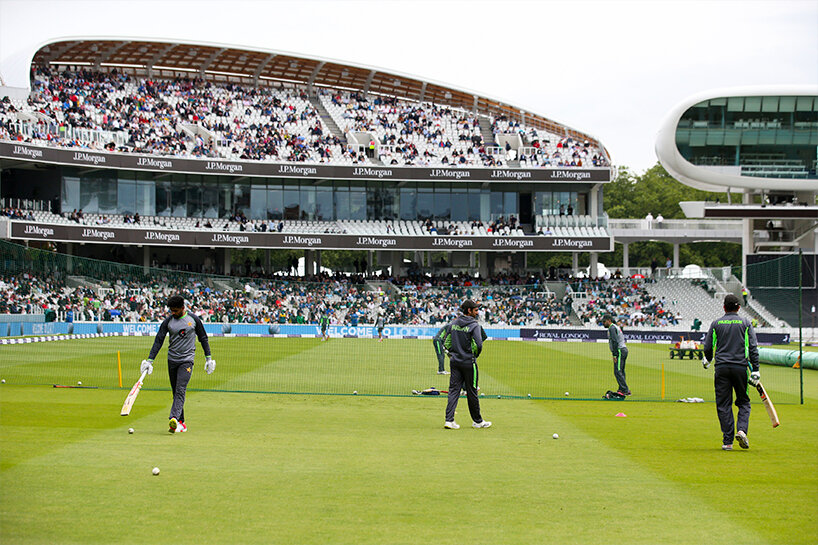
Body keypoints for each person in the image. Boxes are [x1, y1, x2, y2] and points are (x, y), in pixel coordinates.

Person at [141, 295, 215, 434]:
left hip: (187, 360)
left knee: (180, 389)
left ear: (183, 308)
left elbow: (203, 338)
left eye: (175, 311)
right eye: (171, 311)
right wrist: (150, 360)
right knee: (176, 392)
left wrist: (208, 358)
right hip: (172, 360)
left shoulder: (193, 320)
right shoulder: (168, 321)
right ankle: (182, 423)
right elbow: (159, 340)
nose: (173, 313)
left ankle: (173, 418)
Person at [703, 294, 760, 451]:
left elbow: (708, 347)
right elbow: (753, 347)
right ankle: (741, 430)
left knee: (723, 404)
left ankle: (727, 441)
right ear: (739, 307)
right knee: (743, 402)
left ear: (724, 307)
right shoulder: (746, 323)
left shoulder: (716, 323)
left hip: (721, 368)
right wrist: (756, 369)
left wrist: (707, 359)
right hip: (740, 367)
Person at [444, 300, 491, 429]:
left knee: (453, 391)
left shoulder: (453, 323)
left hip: (455, 362)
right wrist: (474, 354)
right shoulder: (474, 325)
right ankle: (478, 421)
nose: (477, 313)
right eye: (475, 310)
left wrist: (453, 353)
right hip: (469, 363)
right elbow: (479, 344)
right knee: (472, 391)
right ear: (469, 310)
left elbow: (446, 342)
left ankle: (449, 420)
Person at [602, 314, 630, 396]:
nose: (603, 323)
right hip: (623, 350)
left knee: (617, 371)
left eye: (604, 322)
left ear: (609, 320)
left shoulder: (612, 328)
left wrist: (614, 355)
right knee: (621, 371)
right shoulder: (615, 327)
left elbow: (614, 341)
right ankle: (622, 389)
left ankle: (625, 389)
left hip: (619, 350)